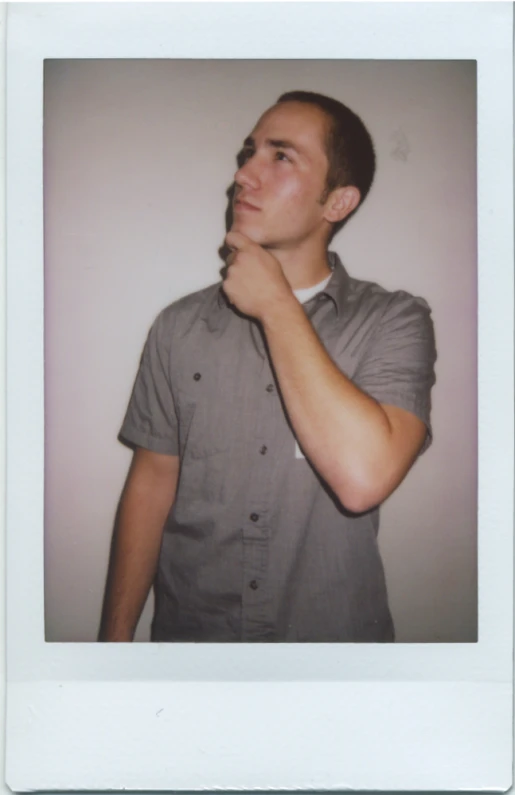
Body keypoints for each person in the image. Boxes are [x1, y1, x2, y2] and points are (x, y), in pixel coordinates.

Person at [99, 90, 437, 643]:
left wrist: (276, 304)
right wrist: (112, 648)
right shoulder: (178, 327)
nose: (244, 176)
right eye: (248, 153)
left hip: (332, 653)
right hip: (193, 645)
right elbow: (152, 482)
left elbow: (363, 480)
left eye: (281, 156)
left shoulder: (394, 321)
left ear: (338, 203)